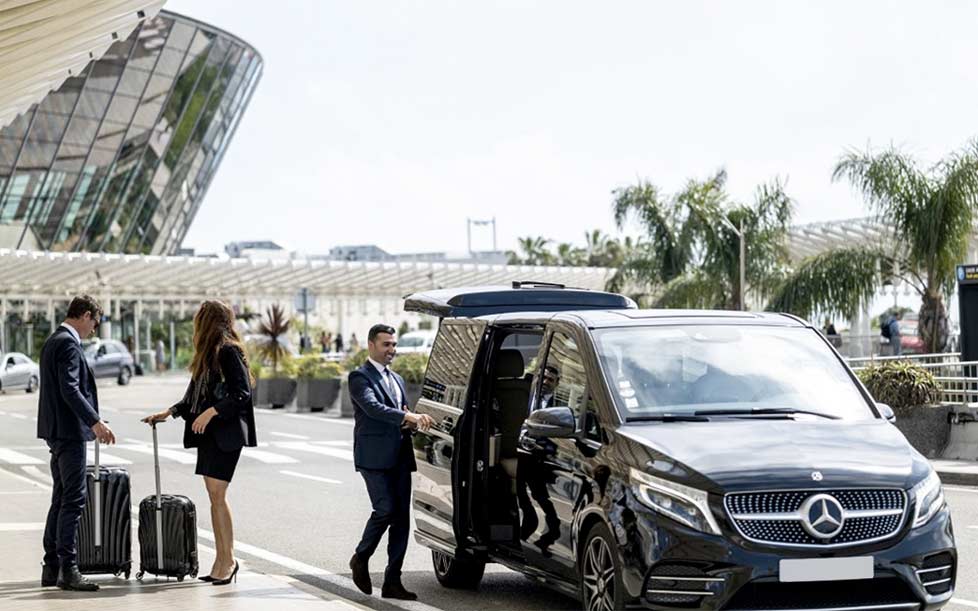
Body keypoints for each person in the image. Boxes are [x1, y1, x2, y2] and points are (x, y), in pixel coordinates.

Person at [142, 300, 257, 586]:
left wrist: (211, 411)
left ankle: (228, 560)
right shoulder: (209, 354)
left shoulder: (229, 351)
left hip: (225, 433)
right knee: (214, 497)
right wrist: (169, 412)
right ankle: (221, 560)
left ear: (207, 322)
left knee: (218, 496)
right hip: (210, 434)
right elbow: (194, 394)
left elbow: (242, 393)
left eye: (199, 319)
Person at [348, 324, 434, 601]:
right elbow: (373, 408)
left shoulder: (396, 379)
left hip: (399, 456)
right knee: (384, 509)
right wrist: (407, 417)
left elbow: (402, 413)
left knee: (401, 521)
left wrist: (413, 422)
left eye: (394, 345)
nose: (391, 350)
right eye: (386, 345)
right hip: (373, 458)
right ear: (371, 345)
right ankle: (361, 557)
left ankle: (392, 581)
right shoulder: (359, 377)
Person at [37, 295, 116, 592]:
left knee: (60, 497)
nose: (93, 330)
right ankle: (68, 570)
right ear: (84, 315)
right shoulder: (68, 343)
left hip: (56, 431)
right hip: (69, 433)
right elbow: (70, 388)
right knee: (73, 499)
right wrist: (95, 422)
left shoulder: (53, 340)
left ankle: (52, 567)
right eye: (94, 323)